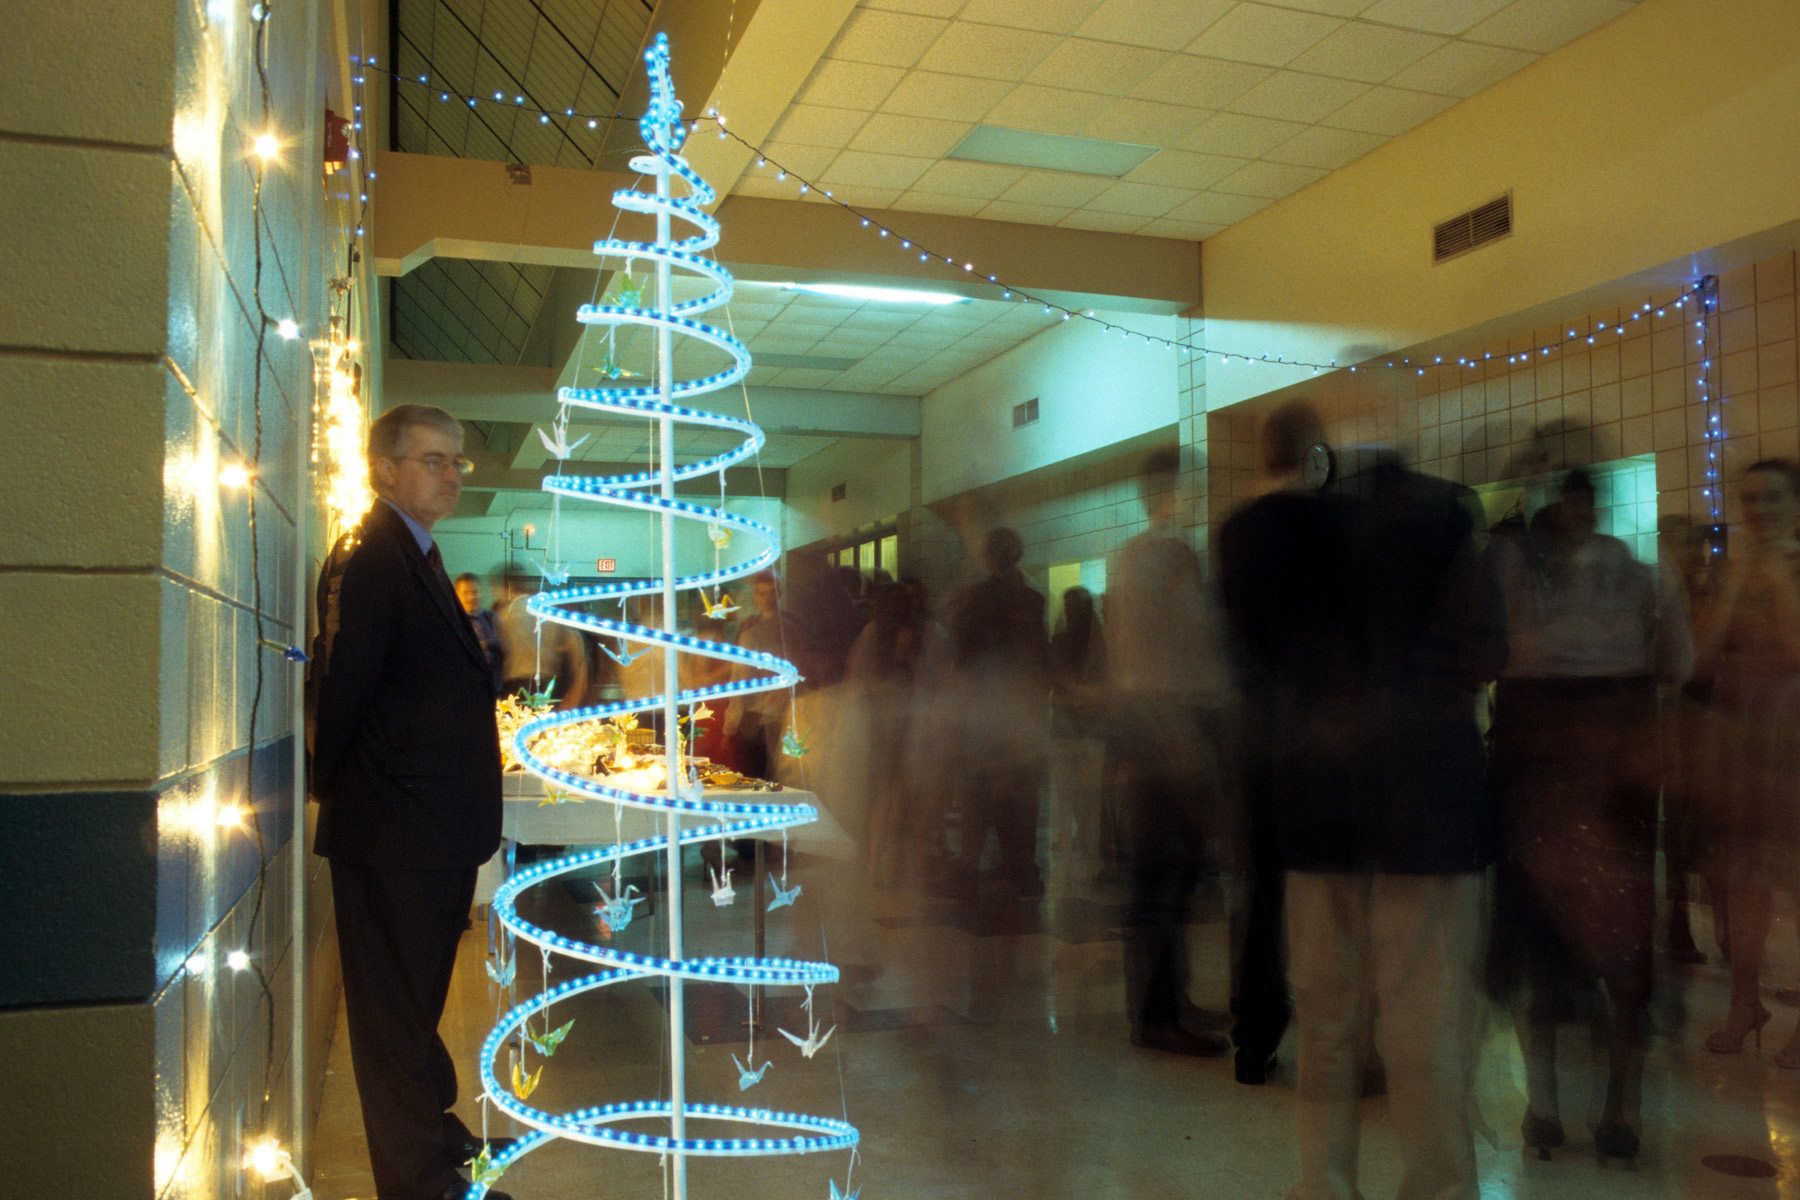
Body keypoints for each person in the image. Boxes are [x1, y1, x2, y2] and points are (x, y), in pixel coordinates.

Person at [1260, 436, 1507, 1200]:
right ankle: (1438, 1187)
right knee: (1423, 1026)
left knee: (1326, 1021)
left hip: (1319, 805)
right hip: (1425, 803)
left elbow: (1272, 668)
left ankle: (1323, 1184)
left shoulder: (1304, 537)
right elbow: (1485, 653)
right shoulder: (1449, 524)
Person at [307, 404, 512, 1200]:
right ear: (385, 469)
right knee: (392, 1018)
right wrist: (350, 794)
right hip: (393, 830)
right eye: (434, 460)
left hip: (427, 829)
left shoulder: (415, 553)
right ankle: (418, 1181)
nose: (452, 474)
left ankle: (437, 1138)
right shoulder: (370, 556)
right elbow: (343, 690)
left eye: (458, 461)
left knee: (415, 1005)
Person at [1483, 469, 1692, 1163]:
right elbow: (1679, 662)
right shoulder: (1638, 574)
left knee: (1538, 939)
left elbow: (1489, 657)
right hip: (1614, 763)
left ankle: (1546, 1107)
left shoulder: (1518, 572)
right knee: (1623, 944)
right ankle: (1620, 1110)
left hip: (1539, 765)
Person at [1217, 401, 1333, 1084]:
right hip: (1321, 733)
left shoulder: (1236, 531)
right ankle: (1331, 1035)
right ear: (1311, 450)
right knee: (1324, 888)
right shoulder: (1330, 524)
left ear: (1265, 452)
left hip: (1257, 730)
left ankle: (1253, 1037)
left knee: (1259, 889)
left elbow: (1232, 633)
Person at [1108, 447, 1234, 1056]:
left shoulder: (1132, 556)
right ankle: (1158, 1015)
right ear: (1169, 490)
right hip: (1167, 725)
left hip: (1149, 725)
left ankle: (1165, 1004)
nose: (1196, 494)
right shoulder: (1168, 556)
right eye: (1189, 485)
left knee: (1164, 874)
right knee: (1163, 876)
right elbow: (1188, 644)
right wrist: (1183, 734)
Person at [1697, 460, 1800, 1065]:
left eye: (1773, 498)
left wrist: (1778, 577)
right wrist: (1734, 589)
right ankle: (1743, 1003)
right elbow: (1702, 656)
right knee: (1743, 879)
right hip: (1745, 737)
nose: (1759, 510)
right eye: (1750, 499)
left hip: (1794, 733)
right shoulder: (1736, 572)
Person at [945, 527, 1051, 898]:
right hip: (1022, 712)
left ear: (988, 557)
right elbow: (1040, 658)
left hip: (984, 709)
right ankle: (1022, 866)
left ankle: (968, 868)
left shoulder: (975, 598)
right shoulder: (1033, 600)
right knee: (1022, 793)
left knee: (977, 792)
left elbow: (961, 657)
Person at [453, 571, 503, 692]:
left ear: (481, 593)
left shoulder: (492, 617)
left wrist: (486, 644)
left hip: (492, 685)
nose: (471, 597)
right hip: (463, 686)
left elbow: (505, 644)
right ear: (456, 595)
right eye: (466, 593)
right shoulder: (453, 620)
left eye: (475, 592)